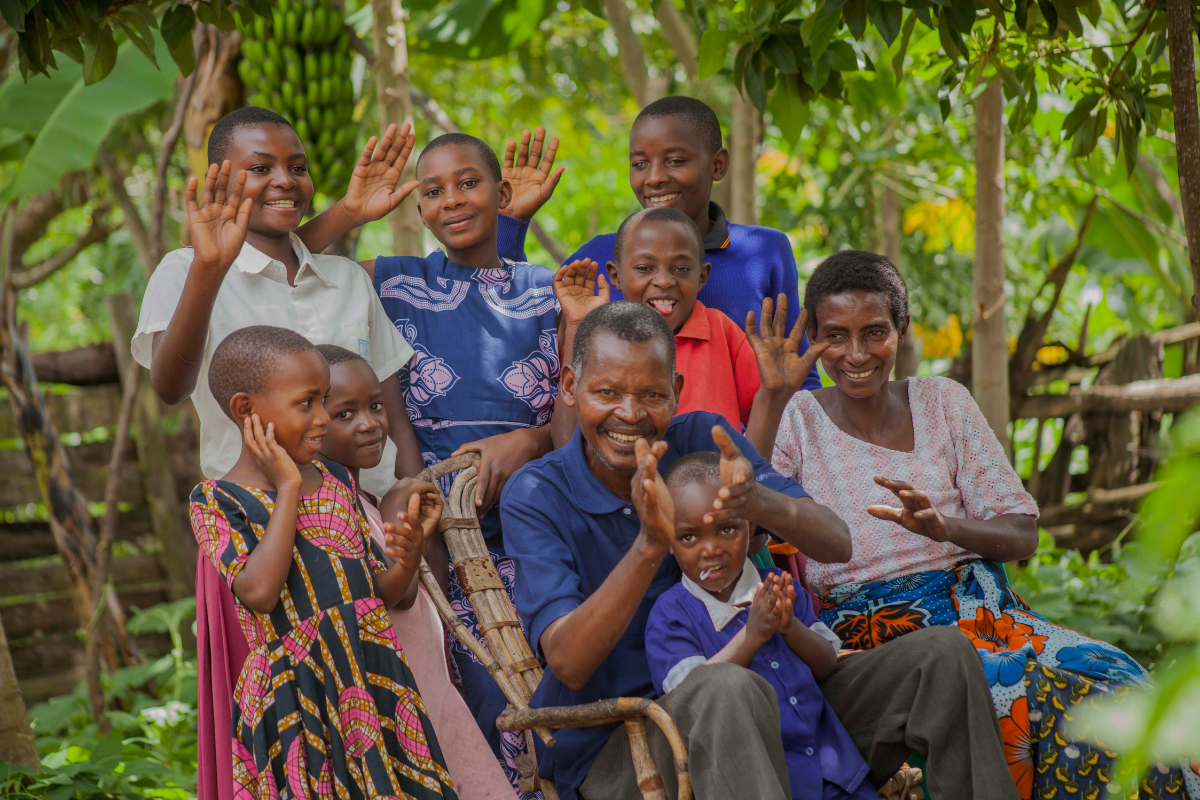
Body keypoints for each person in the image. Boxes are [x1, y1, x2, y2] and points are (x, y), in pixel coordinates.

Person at [500, 302, 1017, 800]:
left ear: (675, 393)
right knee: (728, 689)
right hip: (628, 747)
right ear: (570, 387)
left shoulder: (703, 438)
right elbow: (567, 662)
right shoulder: (536, 495)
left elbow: (835, 541)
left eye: (651, 395)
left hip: (785, 701)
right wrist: (649, 545)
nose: (629, 414)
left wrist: (759, 500)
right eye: (606, 392)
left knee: (943, 657)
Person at [771, 249, 1199, 800]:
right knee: (1025, 697)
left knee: (1119, 687)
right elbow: (754, 517)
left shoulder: (943, 402)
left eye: (874, 332)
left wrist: (946, 528)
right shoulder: (798, 421)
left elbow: (1022, 532)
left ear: (902, 328)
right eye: (836, 335)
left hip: (989, 614)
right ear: (816, 338)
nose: (856, 354)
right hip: (881, 641)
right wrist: (771, 394)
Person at [296, 132, 564, 797]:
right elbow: (293, 257)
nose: (451, 201)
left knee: (551, 678)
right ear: (419, 212)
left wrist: (527, 442)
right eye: (434, 191)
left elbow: (579, 404)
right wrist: (352, 211)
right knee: (470, 687)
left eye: (469, 183)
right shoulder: (393, 280)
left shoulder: (550, 291)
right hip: (433, 527)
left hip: (535, 524)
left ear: (502, 196)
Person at [188, 326, 457, 799]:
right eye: (306, 403)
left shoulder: (334, 479)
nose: (321, 419)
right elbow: (258, 593)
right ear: (246, 410)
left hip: (373, 677)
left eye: (323, 401)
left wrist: (408, 555)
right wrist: (288, 487)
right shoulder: (215, 500)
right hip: (298, 696)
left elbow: (378, 593)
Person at [132, 107, 423, 497]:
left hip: (374, 519)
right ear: (220, 180)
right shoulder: (185, 271)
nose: (285, 180)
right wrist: (209, 268)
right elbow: (170, 388)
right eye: (260, 169)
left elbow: (394, 418)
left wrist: (418, 509)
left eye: (298, 168)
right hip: (259, 518)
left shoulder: (347, 278)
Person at [494, 96, 821, 393]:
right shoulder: (600, 256)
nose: (654, 178)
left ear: (718, 165)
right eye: (639, 164)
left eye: (675, 161)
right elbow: (513, 319)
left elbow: (797, 373)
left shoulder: (764, 251)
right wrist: (509, 222)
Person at [315, 343, 518, 800]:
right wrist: (395, 521)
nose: (369, 424)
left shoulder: (358, 498)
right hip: (402, 705)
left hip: (429, 692)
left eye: (375, 407)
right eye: (344, 414)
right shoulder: (334, 509)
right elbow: (397, 595)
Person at [646, 451, 875, 800]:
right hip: (756, 780)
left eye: (726, 529)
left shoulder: (779, 585)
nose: (710, 550)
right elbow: (692, 696)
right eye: (689, 537)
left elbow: (829, 661)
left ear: (750, 526)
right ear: (669, 544)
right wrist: (751, 637)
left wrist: (789, 628)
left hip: (837, 776)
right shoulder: (670, 616)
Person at [557, 206, 827, 458]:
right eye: (644, 268)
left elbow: (756, 461)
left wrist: (773, 392)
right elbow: (564, 448)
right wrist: (576, 327)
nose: (663, 280)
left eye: (681, 269)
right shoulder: (601, 338)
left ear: (702, 277)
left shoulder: (721, 332)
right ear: (616, 277)